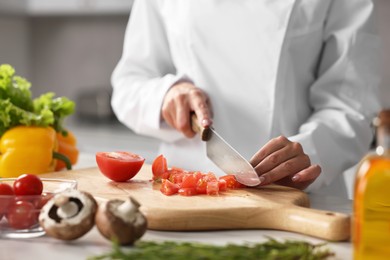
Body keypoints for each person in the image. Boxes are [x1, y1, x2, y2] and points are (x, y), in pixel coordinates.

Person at [111, 0, 381, 191]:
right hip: (183, 191)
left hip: (295, 198)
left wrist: (309, 152)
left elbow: (352, 103)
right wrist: (166, 96)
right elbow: (129, 84)